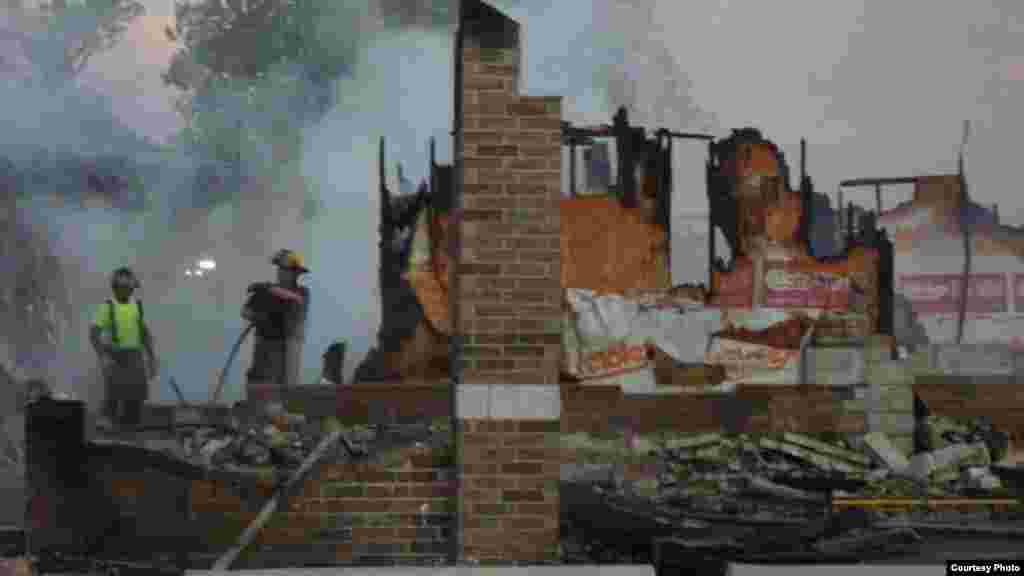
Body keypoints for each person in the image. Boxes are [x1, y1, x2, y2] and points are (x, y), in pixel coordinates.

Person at [89, 267, 157, 433]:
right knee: (114, 394)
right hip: (115, 355)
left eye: (129, 287)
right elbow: (94, 334)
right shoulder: (107, 307)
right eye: (122, 287)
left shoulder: (137, 307)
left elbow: (144, 333)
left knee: (136, 396)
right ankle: (109, 428)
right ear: (115, 288)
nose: (126, 290)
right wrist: (103, 356)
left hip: (135, 356)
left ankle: (130, 430)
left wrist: (152, 358)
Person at [242, 249, 310, 406]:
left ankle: (282, 416)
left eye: (284, 269)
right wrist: (256, 316)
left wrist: (267, 288)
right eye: (280, 269)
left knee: (284, 390)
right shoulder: (265, 292)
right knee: (258, 384)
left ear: (296, 273)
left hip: (288, 347)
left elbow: (295, 299)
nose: (281, 272)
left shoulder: (301, 292)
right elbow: (245, 311)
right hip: (263, 346)